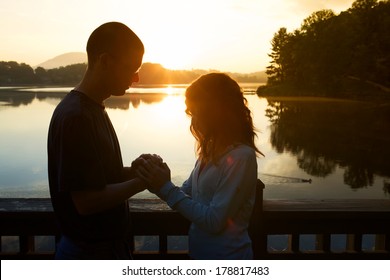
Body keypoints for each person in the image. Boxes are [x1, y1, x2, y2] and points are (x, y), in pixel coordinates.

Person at [47, 22, 146, 259]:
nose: (136, 78)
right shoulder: (76, 116)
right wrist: (143, 182)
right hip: (89, 253)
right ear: (105, 61)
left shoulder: (92, 108)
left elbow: (96, 179)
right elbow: (87, 201)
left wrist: (133, 171)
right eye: (131, 69)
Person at [137, 73, 263, 259]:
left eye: (194, 112)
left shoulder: (241, 157)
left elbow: (214, 221)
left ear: (213, 111)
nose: (192, 120)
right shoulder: (210, 150)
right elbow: (187, 193)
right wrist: (158, 176)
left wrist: (166, 187)